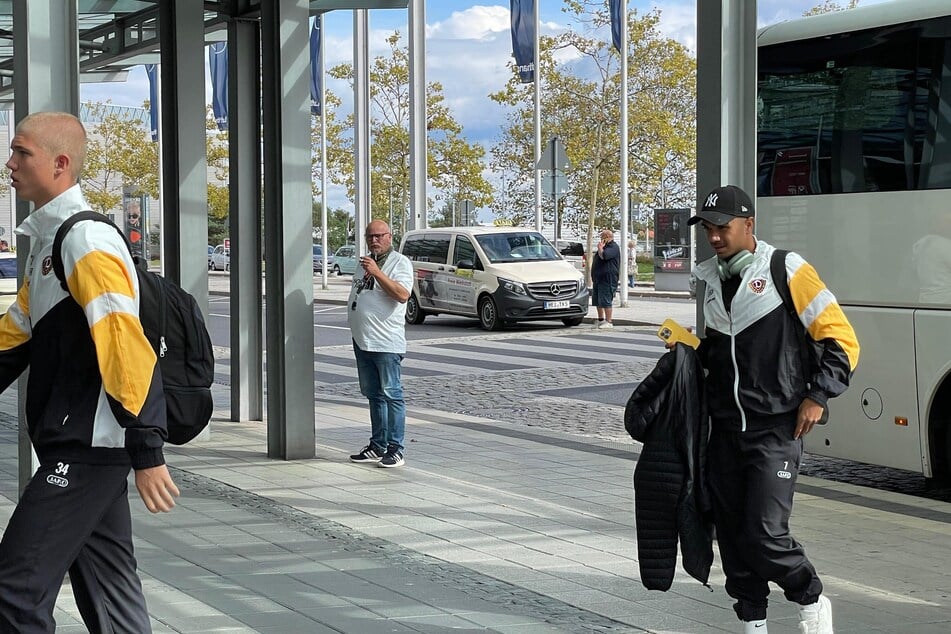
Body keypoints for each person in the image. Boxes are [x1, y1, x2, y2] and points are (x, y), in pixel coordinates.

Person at [0, 111, 179, 632]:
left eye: (21, 152)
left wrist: (148, 448)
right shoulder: (49, 247)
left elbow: (124, 340)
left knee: (13, 590)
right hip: (83, 448)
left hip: (88, 449)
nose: (9, 163)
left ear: (60, 163)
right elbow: (13, 338)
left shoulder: (84, 241)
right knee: (111, 595)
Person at [688, 185, 859, 634]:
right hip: (724, 431)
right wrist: (688, 352)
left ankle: (811, 599)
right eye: (708, 228)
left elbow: (841, 340)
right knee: (734, 538)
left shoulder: (786, 269)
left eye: (722, 227)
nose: (715, 237)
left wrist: (817, 396)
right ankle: (753, 623)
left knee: (765, 534)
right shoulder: (711, 279)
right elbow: (722, 354)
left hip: (775, 429)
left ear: (749, 225)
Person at [347, 220, 414, 468]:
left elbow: (402, 294)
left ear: (390, 236)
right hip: (363, 340)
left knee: (392, 394)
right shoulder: (364, 263)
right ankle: (378, 445)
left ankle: (396, 448)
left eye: (379, 236)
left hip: (385, 342)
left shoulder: (399, 263)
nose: (374, 240)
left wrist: (377, 272)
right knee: (373, 395)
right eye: (370, 236)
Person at [591, 229, 620, 329]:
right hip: (598, 278)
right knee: (598, 300)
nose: (601, 239)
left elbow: (605, 256)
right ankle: (600, 319)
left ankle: (609, 321)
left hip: (607, 278)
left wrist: (600, 248)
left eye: (603, 237)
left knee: (606, 300)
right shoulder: (605, 246)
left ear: (608, 237)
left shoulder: (613, 247)